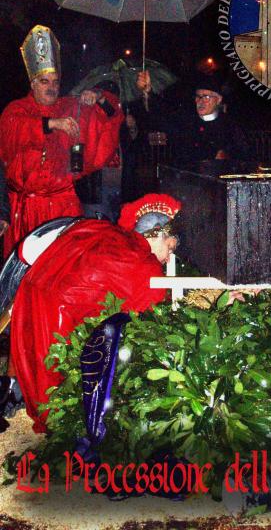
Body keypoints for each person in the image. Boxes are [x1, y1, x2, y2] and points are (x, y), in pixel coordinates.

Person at [1, 193, 180, 433]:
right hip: (54, 320)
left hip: (27, 298)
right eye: (170, 247)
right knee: (59, 408)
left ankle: (14, 388)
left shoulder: (104, 230)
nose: (169, 257)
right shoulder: (143, 264)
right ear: (158, 233)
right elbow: (157, 315)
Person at [0, 25, 123, 257]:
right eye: (44, 82)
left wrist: (97, 97)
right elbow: (12, 131)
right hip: (25, 209)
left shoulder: (68, 106)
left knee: (61, 268)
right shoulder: (16, 110)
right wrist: (52, 124)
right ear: (33, 84)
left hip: (62, 206)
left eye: (55, 82)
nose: (52, 87)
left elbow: (111, 113)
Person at [162, 73, 251, 170]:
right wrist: (148, 93)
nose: (201, 101)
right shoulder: (187, 122)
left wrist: (226, 155)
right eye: (198, 96)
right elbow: (162, 118)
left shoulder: (230, 125)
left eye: (207, 97)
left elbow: (245, 153)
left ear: (218, 100)